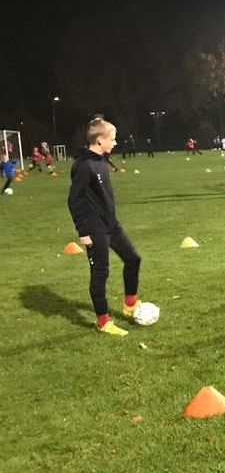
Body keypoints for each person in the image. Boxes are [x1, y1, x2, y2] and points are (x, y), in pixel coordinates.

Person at [67, 118, 142, 336]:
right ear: (100, 140)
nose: (115, 142)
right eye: (112, 138)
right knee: (100, 273)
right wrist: (83, 231)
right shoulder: (84, 165)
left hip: (111, 224)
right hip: (94, 229)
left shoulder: (101, 160)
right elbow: (74, 200)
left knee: (133, 259)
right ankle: (103, 322)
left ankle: (129, 305)